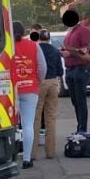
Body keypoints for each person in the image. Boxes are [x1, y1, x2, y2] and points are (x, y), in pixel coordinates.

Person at [12, 21, 46, 168]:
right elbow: (42, 67)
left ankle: (10, 157)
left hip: (10, 90)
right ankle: (27, 159)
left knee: (11, 125)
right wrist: (37, 80)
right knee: (28, 124)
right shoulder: (34, 45)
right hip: (30, 88)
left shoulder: (6, 47)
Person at [60, 10, 90, 134]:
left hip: (80, 67)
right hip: (70, 68)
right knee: (75, 100)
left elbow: (86, 50)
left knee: (80, 100)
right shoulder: (70, 31)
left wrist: (70, 52)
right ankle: (80, 126)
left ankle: (82, 128)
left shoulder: (83, 30)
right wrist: (63, 51)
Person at [33, 29, 64, 159]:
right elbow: (60, 71)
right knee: (50, 118)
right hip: (53, 83)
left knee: (36, 118)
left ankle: (32, 153)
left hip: (40, 82)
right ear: (49, 38)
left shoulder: (36, 49)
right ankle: (50, 152)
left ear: (39, 38)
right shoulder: (55, 51)